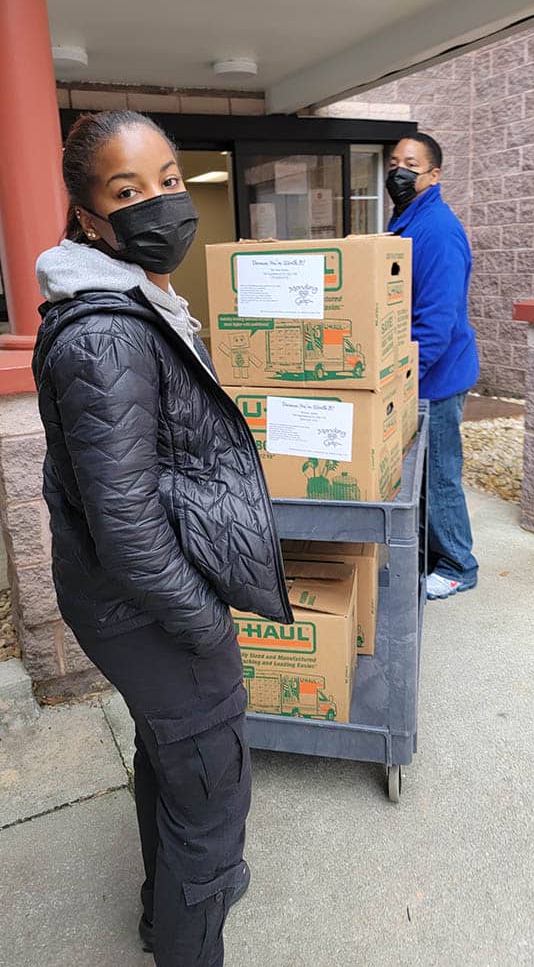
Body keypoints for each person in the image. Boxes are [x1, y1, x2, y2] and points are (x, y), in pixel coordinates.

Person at [33, 110, 293, 967]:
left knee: (175, 751)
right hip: (145, 603)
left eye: (169, 180)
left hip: (135, 595)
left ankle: (170, 903)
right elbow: (127, 525)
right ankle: (191, 926)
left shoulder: (136, 303)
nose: (160, 204)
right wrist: (204, 623)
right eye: (127, 191)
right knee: (212, 780)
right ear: (88, 217)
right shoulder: (106, 329)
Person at [387, 132, 479, 600]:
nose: (397, 172)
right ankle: (429, 554)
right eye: (393, 162)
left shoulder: (437, 230)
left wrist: (406, 382)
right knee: (420, 477)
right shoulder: (407, 219)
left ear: (434, 175)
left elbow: (436, 323)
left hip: (436, 378)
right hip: (418, 374)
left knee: (440, 476)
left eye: (409, 164)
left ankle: (460, 565)